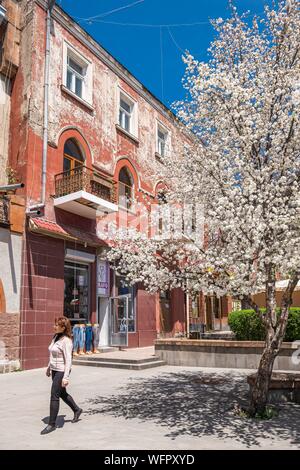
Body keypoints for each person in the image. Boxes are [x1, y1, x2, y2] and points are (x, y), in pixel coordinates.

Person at [41, 316, 83, 435]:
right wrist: (49, 367)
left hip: (61, 371)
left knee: (54, 395)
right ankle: (77, 409)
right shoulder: (55, 337)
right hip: (54, 370)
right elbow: (52, 354)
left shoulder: (66, 341)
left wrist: (65, 377)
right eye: (54, 324)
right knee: (62, 394)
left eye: (56, 325)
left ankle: (52, 424)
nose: (54, 326)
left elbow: (68, 360)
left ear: (63, 327)